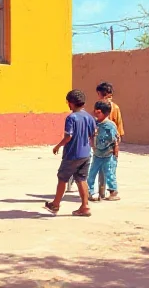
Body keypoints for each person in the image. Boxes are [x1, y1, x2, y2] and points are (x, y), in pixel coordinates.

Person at [44, 89, 96, 217]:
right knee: (81, 179)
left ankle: (55, 204)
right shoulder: (89, 117)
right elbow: (93, 134)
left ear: (71, 103)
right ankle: (85, 206)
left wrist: (57, 146)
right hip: (85, 154)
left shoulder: (71, 118)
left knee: (62, 178)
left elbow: (69, 137)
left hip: (72, 154)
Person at [95, 81, 124, 200]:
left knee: (103, 166)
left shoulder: (100, 106)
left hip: (104, 142)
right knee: (110, 166)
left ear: (100, 93)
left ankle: (109, 191)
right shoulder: (116, 107)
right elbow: (119, 128)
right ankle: (106, 191)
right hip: (112, 142)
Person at [88, 101, 120, 202]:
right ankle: (89, 191)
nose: (95, 113)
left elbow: (115, 139)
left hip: (108, 154)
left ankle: (113, 192)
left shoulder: (110, 125)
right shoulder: (95, 123)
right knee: (92, 173)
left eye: (98, 112)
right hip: (97, 153)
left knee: (109, 173)